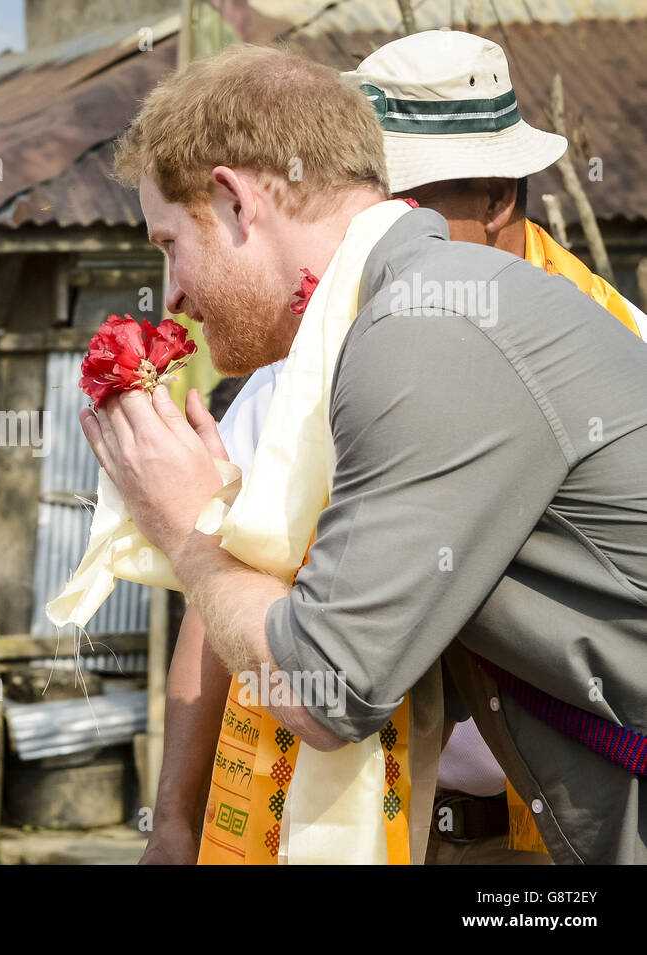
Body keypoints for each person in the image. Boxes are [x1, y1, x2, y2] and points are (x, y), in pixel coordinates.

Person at [103, 43, 647, 864]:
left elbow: (328, 689)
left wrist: (189, 533)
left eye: (169, 243)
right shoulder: (403, 314)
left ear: (235, 201)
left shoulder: (423, 330)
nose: (170, 292)